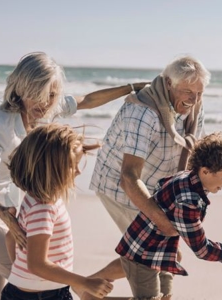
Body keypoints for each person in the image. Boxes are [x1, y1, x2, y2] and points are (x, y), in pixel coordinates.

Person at [0, 51, 147, 300]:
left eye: (51, 95)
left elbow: (87, 100)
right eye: (38, 94)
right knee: (32, 279)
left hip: (8, 213)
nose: (45, 103)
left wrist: (131, 88)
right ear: (21, 87)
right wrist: (5, 214)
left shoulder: (43, 107)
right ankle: (83, 291)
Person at [89, 55, 210, 299]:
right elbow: (129, 177)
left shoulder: (194, 105)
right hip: (120, 187)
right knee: (151, 253)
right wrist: (160, 219)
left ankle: (90, 285)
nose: (193, 99)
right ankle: (90, 286)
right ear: (167, 83)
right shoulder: (142, 112)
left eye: (198, 92)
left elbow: (196, 154)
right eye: (187, 91)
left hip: (157, 185)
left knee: (164, 253)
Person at [116, 132, 222, 299]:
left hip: (163, 253)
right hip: (142, 255)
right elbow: (202, 250)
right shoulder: (188, 201)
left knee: (166, 296)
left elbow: (160, 187)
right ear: (205, 171)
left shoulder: (187, 177)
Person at [1, 123, 113, 300]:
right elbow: (37, 265)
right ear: (49, 168)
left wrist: (20, 273)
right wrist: (83, 283)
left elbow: (10, 237)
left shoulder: (32, 198)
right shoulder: (44, 208)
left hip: (25, 292)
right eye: (71, 165)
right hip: (42, 296)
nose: (78, 171)